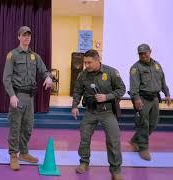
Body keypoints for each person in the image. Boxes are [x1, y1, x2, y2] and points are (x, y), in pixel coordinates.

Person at [2, 26, 53, 171]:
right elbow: (6, 78)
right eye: (24, 35)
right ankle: (13, 155)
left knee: (28, 127)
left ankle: (24, 153)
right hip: (17, 96)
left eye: (28, 36)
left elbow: (44, 71)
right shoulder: (12, 55)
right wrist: (11, 95)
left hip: (30, 97)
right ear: (18, 37)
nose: (26, 38)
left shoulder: (35, 56)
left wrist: (48, 77)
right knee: (15, 126)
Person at [72, 50, 125, 180]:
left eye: (89, 62)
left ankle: (116, 170)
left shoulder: (111, 72)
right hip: (90, 112)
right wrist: (74, 106)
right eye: (85, 62)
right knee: (84, 138)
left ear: (98, 60)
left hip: (107, 112)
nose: (86, 65)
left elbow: (121, 89)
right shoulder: (83, 75)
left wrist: (107, 96)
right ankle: (84, 162)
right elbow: (77, 91)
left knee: (113, 140)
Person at [129, 44, 171, 160]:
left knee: (153, 123)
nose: (143, 55)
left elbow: (163, 81)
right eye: (140, 54)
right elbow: (134, 86)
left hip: (155, 98)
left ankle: (134, 140)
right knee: (143, 123)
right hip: (142, 98)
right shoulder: (135, 68)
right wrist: (136, 99)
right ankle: (143, 148)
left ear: (150, 52)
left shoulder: (157, 65)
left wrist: (167, 94)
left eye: (145, 53)